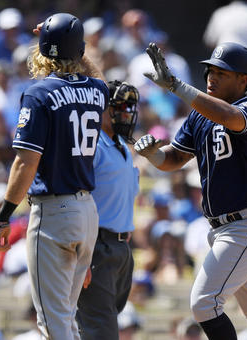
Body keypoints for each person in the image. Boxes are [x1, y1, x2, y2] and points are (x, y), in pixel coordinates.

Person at [134, 42, 247, 340]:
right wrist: (153, 155)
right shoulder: (198, 115)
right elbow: (174, 159)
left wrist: (176, 86)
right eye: (210, 70)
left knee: (204, 304)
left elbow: (231, 119)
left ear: (243, 80)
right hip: (227, 229)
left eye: (222, 72)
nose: (212, 76)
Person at [0, 13, 109, 340]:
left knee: (54, 325)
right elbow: (98, 79)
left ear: (42, 48)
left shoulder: (39, 93)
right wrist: (76, 48)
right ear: (79, 51)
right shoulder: (98, 91)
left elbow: (25, 164)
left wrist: (3, 218)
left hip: (54, 215)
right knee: (67, 321)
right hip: (87, 213)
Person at [76, 80, 140, 340]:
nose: (125, 114)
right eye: (119, 107)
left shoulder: (121, 145)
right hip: (97, 246)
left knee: (100, 325)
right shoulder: (92, 144)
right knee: (101, 330)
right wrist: (83, 254)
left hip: (121, 247)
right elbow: (79, 200)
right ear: (101, 109)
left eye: (129, 108)